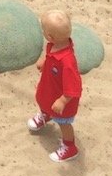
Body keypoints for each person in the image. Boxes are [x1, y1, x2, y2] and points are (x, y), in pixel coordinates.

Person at [27, 9, 82, 162]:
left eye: (43, 30)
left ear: (50, 36)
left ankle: (70, 147)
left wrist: (63, 100)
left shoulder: (67, 62)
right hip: (50, 89)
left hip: (63, 100)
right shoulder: (53, 46)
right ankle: (46, 114)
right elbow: (50, 55)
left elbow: (74, 87)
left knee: (64, 124)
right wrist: (45, 62)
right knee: (44, 100)